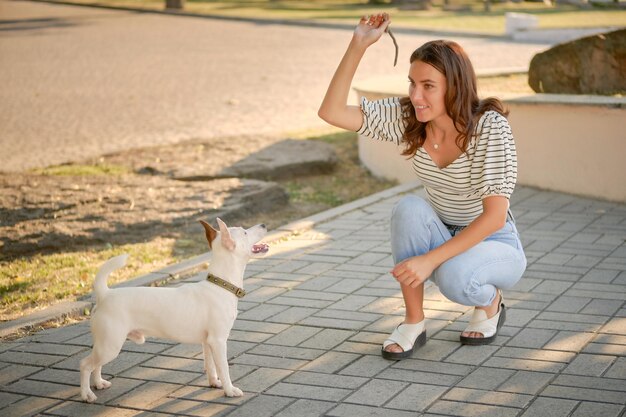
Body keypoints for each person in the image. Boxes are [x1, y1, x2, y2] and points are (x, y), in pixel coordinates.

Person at [318, 13, 527, 360]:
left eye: (428, 85)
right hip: (442, 230)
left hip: (495, 240)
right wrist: (358, 44)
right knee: (408, 210)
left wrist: (429, 261)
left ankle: (490, 301)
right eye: (412, 84)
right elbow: (331, 112)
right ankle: (413, 323)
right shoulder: (410, 119)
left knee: (453, 278)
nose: (416, 95)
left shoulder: (490, 128)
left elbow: (494, 218)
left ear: (455, 85)